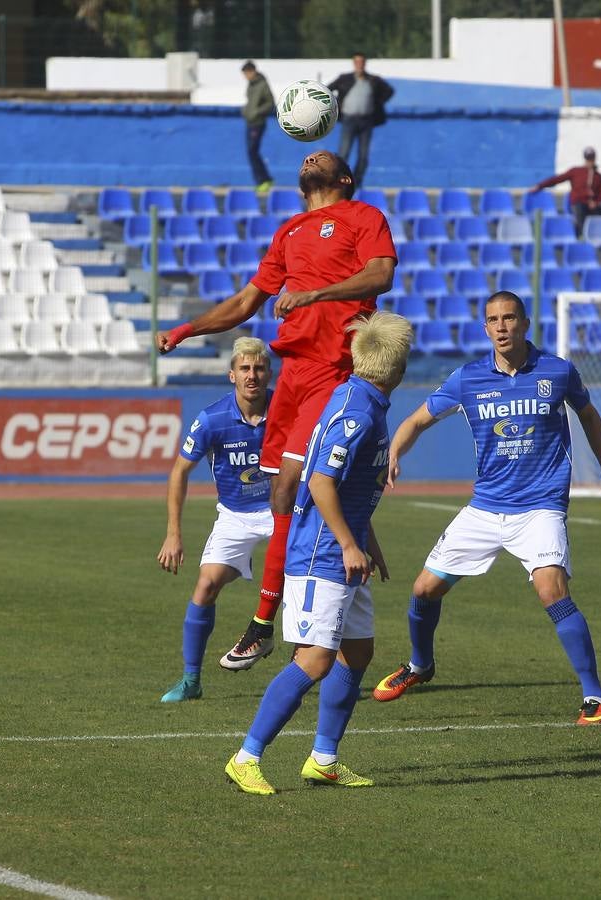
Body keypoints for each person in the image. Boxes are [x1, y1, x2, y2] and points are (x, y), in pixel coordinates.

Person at [156, 150, 397, 674]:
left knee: (293, 487)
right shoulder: (289, 231)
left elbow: (380, 276)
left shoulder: (363, 217)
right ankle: (312, 612)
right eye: (307, 154)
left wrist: (315, 294)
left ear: (344, 177)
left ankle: (266, 622)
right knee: (283, 493)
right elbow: (246, 302)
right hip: (293, 375)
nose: (311, 155)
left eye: (323, 155)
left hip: (333, 371)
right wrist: (186, 330)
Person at [371, 291, 601, 727]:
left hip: (540, 508)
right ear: (485, 328)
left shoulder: (558, 371)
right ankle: (419, 666)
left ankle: (594, 695)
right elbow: (417, 419)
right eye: (493, 319)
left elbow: (589, 416)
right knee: (422, 591)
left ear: (525, 323)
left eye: (510, 317)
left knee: (551, 590)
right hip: (486, 508)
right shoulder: (467, 378)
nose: (502, 326)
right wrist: (395, 451)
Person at [224, 312, 413, 795]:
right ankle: (246, 758)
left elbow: (348, 488)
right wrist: (350, 543)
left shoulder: (364, 400)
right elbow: (322, 480)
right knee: (313, 660)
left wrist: (367, 542)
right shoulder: (358, 410)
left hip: (345, 550)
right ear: (398, 366)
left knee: (358, 651)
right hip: (321, 555)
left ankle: (324, 760)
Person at [156, 338, 275, 703]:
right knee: (206, 586)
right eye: (244, 369)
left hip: (282, 510)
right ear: (231, 375)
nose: (251, 376)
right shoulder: (212, 418)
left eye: (258, 369)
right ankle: (191, 681)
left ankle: (293, 653)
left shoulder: (287, 409)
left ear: (269, 373)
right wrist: (173, 533)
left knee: (306, 584)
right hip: (235, 514)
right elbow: (179, 472)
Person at [529, 146, 601, 239]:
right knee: (579, 208)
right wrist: (540, 186)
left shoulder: (599, 177)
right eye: (588, 159)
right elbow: (558, 179)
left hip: (594, 206)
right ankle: (581, 236)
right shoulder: (575, 171)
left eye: (592, 158)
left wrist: (596, 203)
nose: (590, 161)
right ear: (585, 159)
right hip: (580, 203)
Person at [328, 54, 394, 189]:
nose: (359, 65)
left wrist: (378, 102)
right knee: (344, 153)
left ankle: (356, 182)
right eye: (357, 62)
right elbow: (327, 89)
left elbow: (389, 91)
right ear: (353, 64)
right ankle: (339, 182)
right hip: (348, 119)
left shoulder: (373, 80)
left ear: (365, 64)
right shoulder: (344, 79)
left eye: (362, 62)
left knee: (363, 155)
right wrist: (336, 104)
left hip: (366, 120)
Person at [241, 61, 275, 195]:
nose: (245, 76)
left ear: (252, 71)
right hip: (250, 121)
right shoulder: (251, 85)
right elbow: (250, 102)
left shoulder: (262, 84)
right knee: (251, 152)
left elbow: (270, 103)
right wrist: (246, 111)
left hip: (258, 122)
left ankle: (263, 180)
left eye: (246, 73)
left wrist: (256, 112)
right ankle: (263, 180)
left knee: (252, 151)